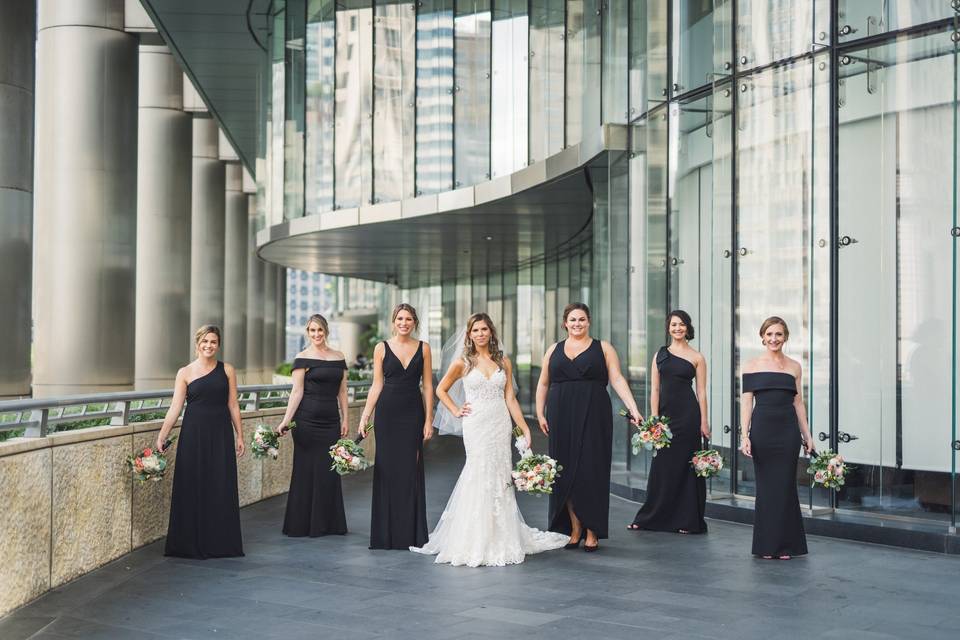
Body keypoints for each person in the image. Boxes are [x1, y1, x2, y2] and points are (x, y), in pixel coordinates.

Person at [411, 313, 569, 566]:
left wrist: (524, 429)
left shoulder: (503, 361)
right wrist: (455, 409)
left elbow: (510, 399)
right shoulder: (463, 362)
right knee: (478, 471)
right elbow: (440, 388)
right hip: (476, 424)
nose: (481, 334)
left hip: (499, 423)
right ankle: (474, 537)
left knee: (500, 475)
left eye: (484, 329)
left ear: (491, 333)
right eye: (476, 330)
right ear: (469, 335)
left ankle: (501, 536)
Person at [536, 303, 641, 552]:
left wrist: (634, 408)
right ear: (565, 323)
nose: (577, 324)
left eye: (581, 320)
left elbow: (616, 378)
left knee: (591, 470)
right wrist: (540, 412)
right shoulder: (553, 350)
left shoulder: (603, 348)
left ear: (589, 321)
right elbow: (543, 383)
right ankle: (575, 528)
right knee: (565, 471)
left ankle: (592, 530)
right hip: (561, 415)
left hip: (595, 414)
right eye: (572, 320)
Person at [157, 325, 245, 559]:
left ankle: (220, 543)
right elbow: (176, 407)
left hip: (220, 435)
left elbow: (233, 404)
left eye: (213, 342)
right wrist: (163, 434)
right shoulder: (184, 372)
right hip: (193, 436)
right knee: (192, 483)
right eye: (205, 341)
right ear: (197, 344)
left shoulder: (227, 370)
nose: (209, 345)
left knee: (219, 484)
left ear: (218, 345)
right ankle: (188, 543)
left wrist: (240, 434)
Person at [358, 303, 434, 549]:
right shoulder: (381, 348)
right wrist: (365, 416)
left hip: (412, 413)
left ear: (415, 323)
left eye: (409, 319)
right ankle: (384, 535)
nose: (404, 323)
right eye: (400, 318)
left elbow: (428, 387)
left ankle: (410, 533)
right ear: (393, 322)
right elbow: (376, 385)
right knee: (386, 471)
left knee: (410, 471)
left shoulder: (424, 348)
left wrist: (429, 419)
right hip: (387, 415)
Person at [740, 316, 815, 559]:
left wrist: (807, 435)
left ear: (785, 338)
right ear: (762, 337)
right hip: (763, 431)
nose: (774, 339)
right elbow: (746, 402)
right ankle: (766, 545)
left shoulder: (794, 366)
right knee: (766, 488)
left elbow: (799, 403)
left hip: (788, 432)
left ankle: (786, 545)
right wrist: (745, 435)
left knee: (785, 487)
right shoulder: (751, 366)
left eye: (779, 334)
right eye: (769, 334)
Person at [629, 310, 709, 534]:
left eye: (681, 324)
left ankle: (688, 520)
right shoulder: (660, 355)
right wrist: (655, 419)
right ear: (668, 328)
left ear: (687, 328)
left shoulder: (697, 357)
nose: (677, 328)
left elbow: (701, 392)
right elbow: (655, 388)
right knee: (662, 467)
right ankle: (650, 518)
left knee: (686, 467)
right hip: (665, 417)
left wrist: (704, 421)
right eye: (674, 325)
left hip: (688, 416)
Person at [275, 314, 349, 537]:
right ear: (307, 333)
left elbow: (343, 392)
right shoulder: (302, 358)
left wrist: (345, 418)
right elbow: (296, 392)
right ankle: (301, 524)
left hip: (331, 421)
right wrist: (286, 421)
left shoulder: (339, 356)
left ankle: (328, 523)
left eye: (320, 330)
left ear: (326, 331)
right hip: (306, 421)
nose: (316, 334)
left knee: (329, 470)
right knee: (305, 470)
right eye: (312, 330)